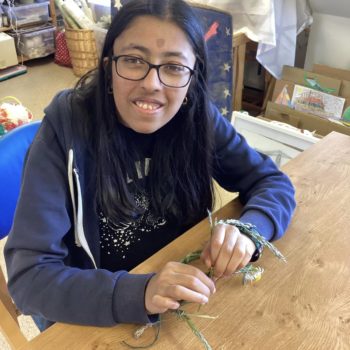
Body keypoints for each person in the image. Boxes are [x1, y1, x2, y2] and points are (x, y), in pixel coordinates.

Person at [5, 0, 295, 331]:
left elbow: (272, 182)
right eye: (132, 60)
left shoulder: (197, 116)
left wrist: (250, 230)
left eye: (173, 67)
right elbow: (29, 279)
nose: (152, 83)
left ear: (191, 77)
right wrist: (139, 293)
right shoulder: (66, 130)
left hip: (182, 293)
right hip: (94, 307)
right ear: (108, 66)